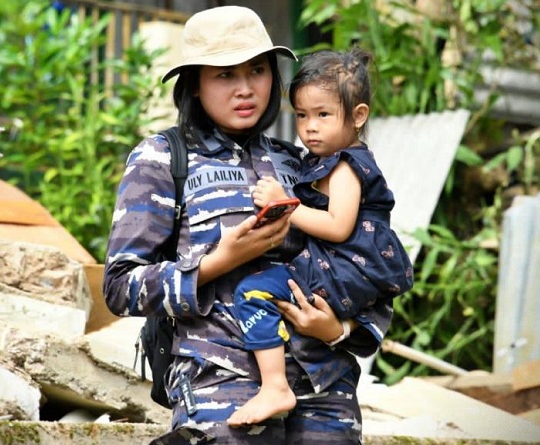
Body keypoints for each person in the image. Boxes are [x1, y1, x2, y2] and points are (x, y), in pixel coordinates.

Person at [104, 6, 392, 444]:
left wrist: (340, 331)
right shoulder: (162, 159)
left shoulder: (302, 162)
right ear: (195, 84)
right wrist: (218, 262)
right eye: (225, 75)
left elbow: (367, 258)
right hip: (221, 383)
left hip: (324, 388)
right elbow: (119, 286)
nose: (245, 89)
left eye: (257, 70)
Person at [226, 48, 414, 426]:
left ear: (358, 116)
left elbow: (338, 226)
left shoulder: (345, 166)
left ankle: (275, 386)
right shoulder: (330, 159)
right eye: (301, 115)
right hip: (347, 270)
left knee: (251, 293)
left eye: (323, 114)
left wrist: (284, 204)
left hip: (340, 269)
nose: (310, 126)